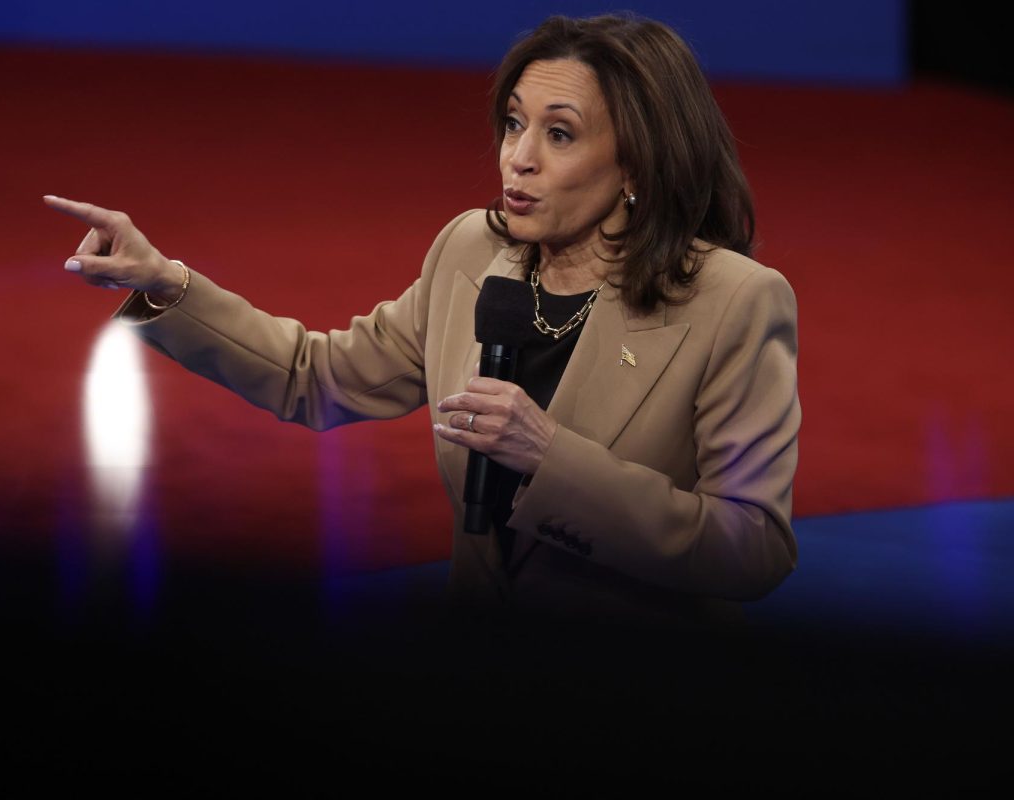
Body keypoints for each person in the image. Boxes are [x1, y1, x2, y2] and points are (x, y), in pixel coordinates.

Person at [44, 14, 799, 624]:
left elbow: (752, 549)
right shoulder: (471, 250)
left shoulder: (734, 300)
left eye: (558, 133)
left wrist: (549, 456)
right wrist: (169, 285)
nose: (518, 159)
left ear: (637, 163)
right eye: (513, 124)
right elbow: (317, 378)